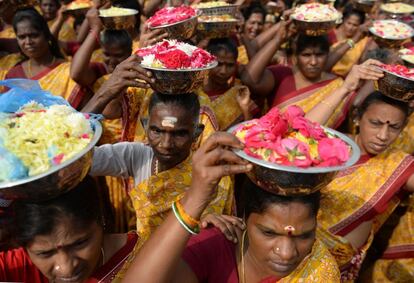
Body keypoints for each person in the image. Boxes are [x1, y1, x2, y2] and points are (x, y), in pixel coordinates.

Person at [121, 132, 341, 282]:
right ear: (243, 218)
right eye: (268, 232)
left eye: (303, 236)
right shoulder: (213, 244)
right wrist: (194, 200)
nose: (286, 253)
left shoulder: (319, 270)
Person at [85, 83, 234, 243]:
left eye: (179, 134)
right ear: (145, 126)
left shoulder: (212, 177)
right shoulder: (136, 155)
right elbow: (75, 159)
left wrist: (207, 226)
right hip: (143, 258)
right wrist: (108, 89)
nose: (166, 144)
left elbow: (223, 235)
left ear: (197, 133)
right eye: (157, 131)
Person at [307, 89, 414, 281]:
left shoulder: (399, 163)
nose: (383, 135)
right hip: (299, 252)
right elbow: (298, 133)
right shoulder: (331, 145)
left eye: (394, 127)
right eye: (375, 124)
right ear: (357, 118)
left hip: (341, 269)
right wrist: (347, 86)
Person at [0, 176, 139, 283]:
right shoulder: (22, 266)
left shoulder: (143, 257)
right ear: (25, 248)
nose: (66, 268)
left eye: (79, 244)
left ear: (101, 219)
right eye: (45, 253)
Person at [241, 28, 352, 128]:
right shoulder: (283, 74)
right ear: (295, 57)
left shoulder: (338, 85)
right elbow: (249, 80)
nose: (313, 62)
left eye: (319, 55)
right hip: (269, 145)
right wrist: (277, 40)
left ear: (327, 55)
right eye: (306, 55)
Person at [3, 8, 84, 109]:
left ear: (46, 36)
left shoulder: (67, 71)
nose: (28, 42)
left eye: (34, 35)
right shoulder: (14, 75)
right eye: (22, 37)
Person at [195, 38, 257, 130]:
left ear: (236, 65)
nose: (223, 71)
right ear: (208, 62)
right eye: (218, 64)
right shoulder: (195, 90)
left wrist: (245, 109)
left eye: (230, 65)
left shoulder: (240, 93)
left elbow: (250, 133)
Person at [326, 7, 371, 77]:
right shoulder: (330, 34)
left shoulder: (362, 41)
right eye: (349, 23)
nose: (350, 28)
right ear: (343, 21)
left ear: (360, 26)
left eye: (355, 25)